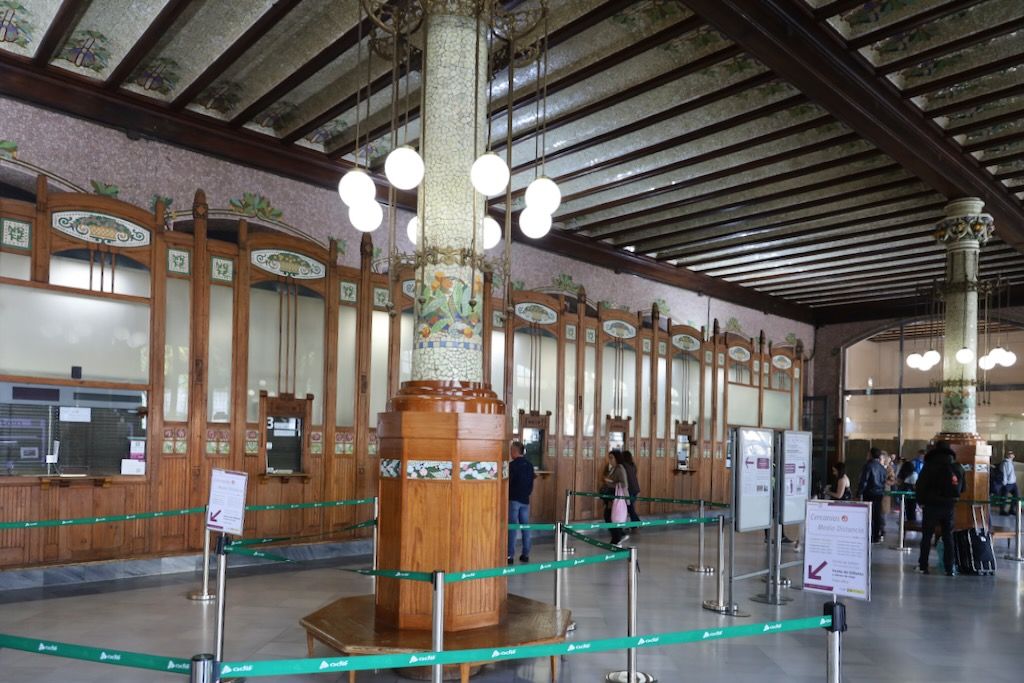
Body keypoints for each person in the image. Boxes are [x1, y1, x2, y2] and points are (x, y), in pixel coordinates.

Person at [915, 440, 964, 575]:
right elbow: (962, 488)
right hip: (949, 506)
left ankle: (923, 565)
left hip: (931, 506)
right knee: (948, 537)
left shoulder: (929, 466)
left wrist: (921, 502)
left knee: (927, 536)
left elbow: (920, 486)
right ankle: (950, 567)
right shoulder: (957, 467)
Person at [507, 441, 535, 565]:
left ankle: (510, 555)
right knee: (525, 527)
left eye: (511, 450)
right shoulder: (529, 465)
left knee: (513, 528)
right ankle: (525, 554)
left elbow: (509, 482)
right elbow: (531, 482)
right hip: (525, 500)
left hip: (514, 500)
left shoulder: (512, 466)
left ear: (515, 451)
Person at [859, 448, 887, 543]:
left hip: (869, 493)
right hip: (879, 494)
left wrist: (859, 493)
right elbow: (884, 481)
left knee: (869, 515)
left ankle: (870, 535)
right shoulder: (882, 467)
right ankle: (876, 535)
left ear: (870, 454)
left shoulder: (868, 466)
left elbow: (864, 481)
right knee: (877, 514)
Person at [602, 449, 630, 546]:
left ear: (617, 458)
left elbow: (624, 484)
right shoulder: (612, 468)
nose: (610, 460)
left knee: (611, 517)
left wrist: (611, 482)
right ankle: (616, 537)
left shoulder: (620, 468)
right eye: (609, 458)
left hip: (617, 498)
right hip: (611, 498)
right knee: (609, 516)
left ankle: (617, 538)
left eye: (611, 458)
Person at [896, 452, 919, 522]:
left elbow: (898, 482)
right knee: (911, 512)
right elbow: (915, 486)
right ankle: (911, 525)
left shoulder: (903, 475)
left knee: (905, 511)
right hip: (911, 496)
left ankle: (905, 526)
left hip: (903, 495)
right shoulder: (914, 475)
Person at [621, 449, 642, 526]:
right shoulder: (632, 465)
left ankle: (637, 522)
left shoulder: (622, 466)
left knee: (629, 507)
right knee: (630, 506)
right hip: (635, 489)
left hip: (629, 489)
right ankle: (635, 523)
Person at [999, 451, 1018, 516]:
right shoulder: (1005, 463)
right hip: (1007, 483)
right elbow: (1004, 473)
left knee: (1016, 496)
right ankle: (1002, 511)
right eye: (1010, 454)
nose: (1012, 456)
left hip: (1013, 482)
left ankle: (1011, 509)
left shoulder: (1011, 462)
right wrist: (1005, 483)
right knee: (1004, 497)